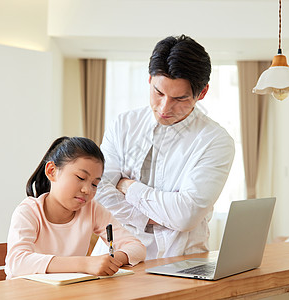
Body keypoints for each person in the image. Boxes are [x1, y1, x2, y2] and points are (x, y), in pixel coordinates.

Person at [94, 34, 235, 259]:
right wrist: (158, 214)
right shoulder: (123, 124)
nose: (164, 107)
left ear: (203, 93)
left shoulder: (216, 141)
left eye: (179, 98)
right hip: (115, 257)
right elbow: (98, 193)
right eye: (159, 93)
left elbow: (185, 216)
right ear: (149, 80)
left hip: (180, 262)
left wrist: (128, 187)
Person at [5, 136, 146, 278]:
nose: (87, 190)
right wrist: (85, 264)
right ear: (52, 171)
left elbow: (137, 248)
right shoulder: (28, 212)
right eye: (80, 178)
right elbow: (17, 262)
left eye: (94, 184)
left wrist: (109, 261)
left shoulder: (92, 209)